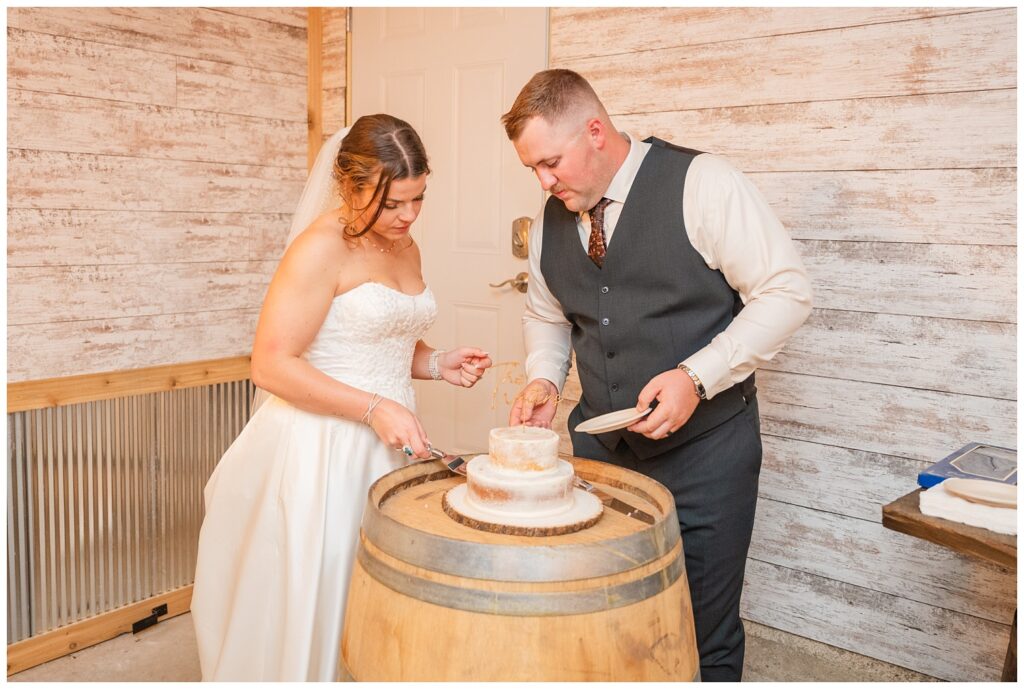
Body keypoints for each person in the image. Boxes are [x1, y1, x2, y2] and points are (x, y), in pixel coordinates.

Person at [502, 69, 812, 681]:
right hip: (600, 456)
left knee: (700, 630)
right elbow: (547, 314)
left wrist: (695, 378)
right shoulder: (549, 221)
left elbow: (787, 293)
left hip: (708, 456)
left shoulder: (704, 184)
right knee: (609, 617)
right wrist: (543, 379)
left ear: (596, 131)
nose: (543, 181)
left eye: (551, 162)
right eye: (532, 168)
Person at [190, 114, 493, 681]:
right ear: (350, 188)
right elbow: (271, 364)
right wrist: (375, 409)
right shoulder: (318, 249)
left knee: (384, 598)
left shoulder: (404, 243)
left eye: (418, 198)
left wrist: (435, 362)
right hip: (323, 452)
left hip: (390, 447)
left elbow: (380, 341)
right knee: (326, 591)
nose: (408, 216)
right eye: (392, 203)